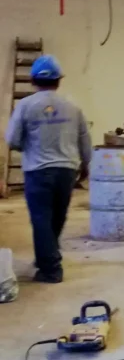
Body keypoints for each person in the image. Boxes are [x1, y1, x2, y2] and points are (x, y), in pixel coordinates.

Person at [4, 54, 92, 284]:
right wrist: (85, 165)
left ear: (33, 80)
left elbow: (12, 139)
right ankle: (47, 256)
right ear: (59, 80)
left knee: (41, 218)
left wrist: (30, 146)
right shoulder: (73, 107)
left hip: (37, 171)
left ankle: (51, 269)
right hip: (66, 171)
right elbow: (84, 138)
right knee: (57, 217)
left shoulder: (25, 105)